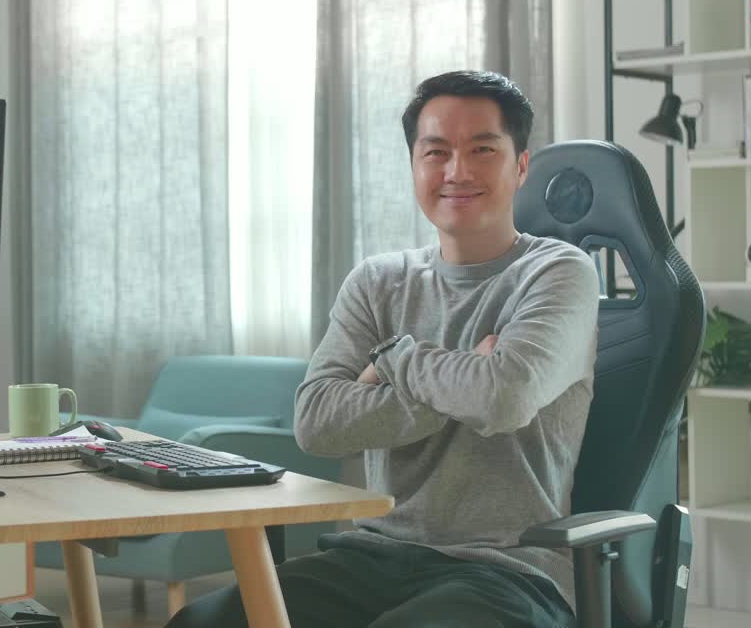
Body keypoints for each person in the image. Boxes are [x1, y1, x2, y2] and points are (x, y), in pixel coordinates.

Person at [167, 70, 600, 628]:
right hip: (373, 555)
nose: (457, 171)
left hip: (507, 569)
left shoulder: (558, 272)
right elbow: (318, 423)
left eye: (482, 150)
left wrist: (392, 358)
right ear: (415, 165)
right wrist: (466, 376)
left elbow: (504, 398)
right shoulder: (378, 281)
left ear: (520, 166)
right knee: (201, 623)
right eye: (436, 151)